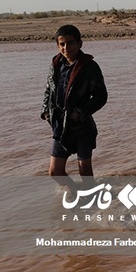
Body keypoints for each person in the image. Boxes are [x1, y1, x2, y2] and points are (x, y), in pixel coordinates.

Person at [40, 25, 108, 178]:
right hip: (60, 127)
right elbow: (48, 91)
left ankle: (91, 199)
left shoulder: (90, 67)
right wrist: (46, 111)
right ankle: (75, 194)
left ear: (79, 44)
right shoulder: (56, 65)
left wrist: (80, 113)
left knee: (84, 171)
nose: (66, 47)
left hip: (82, 127)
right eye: (62, 44)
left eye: (70, 43)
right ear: (58, 46)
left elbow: (101, 96)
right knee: (55, 172)